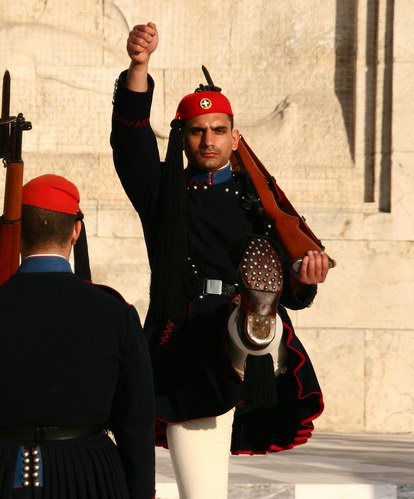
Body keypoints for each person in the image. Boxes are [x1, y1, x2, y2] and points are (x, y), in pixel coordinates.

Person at [110, 23, 329, 498]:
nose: (208, 140)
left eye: (219, 130)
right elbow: (130, 144)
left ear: (235, 137)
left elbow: (293, 279)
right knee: (202, 490)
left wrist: (304, 279)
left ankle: (255, 329)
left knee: (257, 318)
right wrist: (139, 68)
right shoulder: (166, 197)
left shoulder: (259, 200)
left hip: (251, 328)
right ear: (182, 137)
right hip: (186, 338)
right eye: (197, 131)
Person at [0, 174, 156, 499]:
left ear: (17, 234)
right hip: (88, 474)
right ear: (76, 231)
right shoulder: (118, 316)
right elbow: (136, 428)